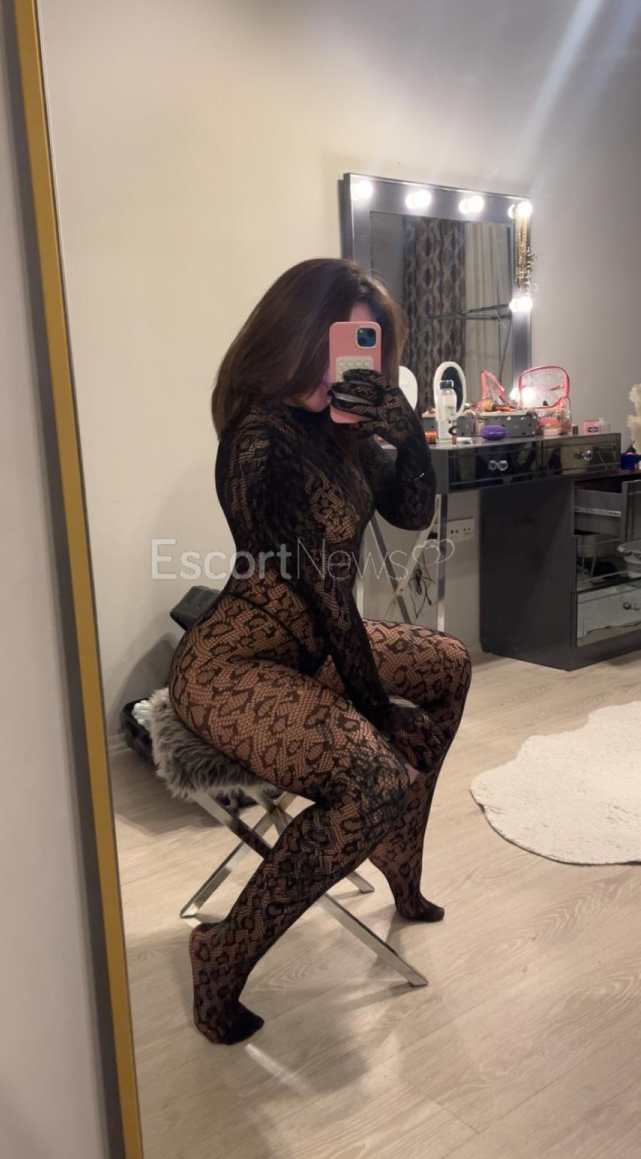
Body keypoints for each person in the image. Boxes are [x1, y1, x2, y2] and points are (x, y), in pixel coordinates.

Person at [168, 258, 471, 1044]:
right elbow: (323, 591)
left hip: (316, 649)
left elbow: (411, 512)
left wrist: (405, 431)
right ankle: (222, 954)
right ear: (292, 339)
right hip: (232, 666)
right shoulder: (257, 442)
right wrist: (377, 712)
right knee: (374, 780)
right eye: (332, 347)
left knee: (448, 663)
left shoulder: (343, 436)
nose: (343, 370)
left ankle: (398, 854)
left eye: (363, 351)